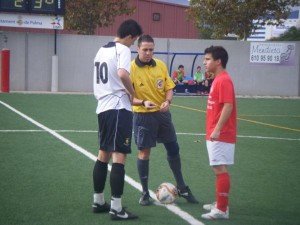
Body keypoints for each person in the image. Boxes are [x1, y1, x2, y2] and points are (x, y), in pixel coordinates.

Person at [130, 34, 199, 206]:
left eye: (151, 50)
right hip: (142, 116)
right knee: (144, 153)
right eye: (145, 49)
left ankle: (182, 187)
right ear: (137, 49)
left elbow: (169, 88)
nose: (148, 53)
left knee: (173, 148)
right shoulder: (130, 68)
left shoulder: (160, 65)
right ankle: (145, 193)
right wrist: (143, 102)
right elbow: (127, 97)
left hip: (163, 115)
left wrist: (167, 101)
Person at [92, 19, 143, 221]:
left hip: (103, 107)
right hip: (118, 107)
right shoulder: (122, 49)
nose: (133, 44)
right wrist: (132, 93)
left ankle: (98, 201)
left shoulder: (101, 50)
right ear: (129, 36)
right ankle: (116, 207)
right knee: (119, 156)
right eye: (134, 41)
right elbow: (122, 73)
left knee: (103, 154)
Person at [201, 46, 237, 220]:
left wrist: (217, 130)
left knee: (219, 168)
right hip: (215, 133)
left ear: (218, 61)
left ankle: (222, 209)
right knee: (219, 167)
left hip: (220, 134)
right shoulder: (218, 79)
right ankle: (221, 203)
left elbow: (228, 106)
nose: (204, 62)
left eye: (207, 59)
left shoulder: (223, 80)